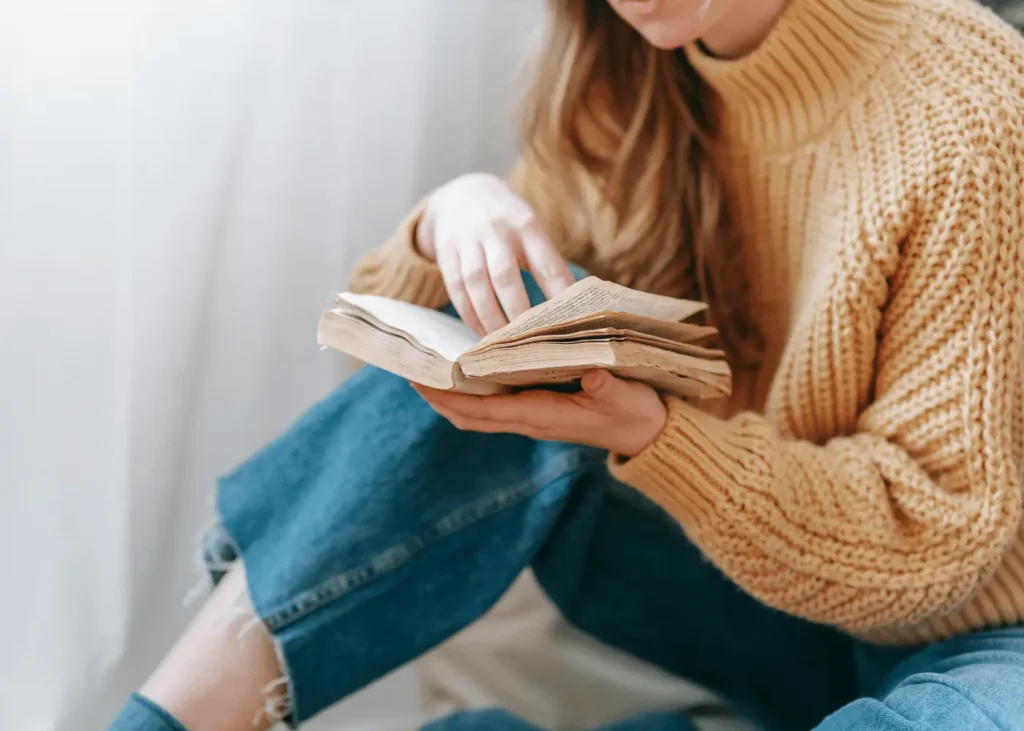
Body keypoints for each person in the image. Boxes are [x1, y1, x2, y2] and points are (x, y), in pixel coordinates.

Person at [109, 0, 1024, 729]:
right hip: (768, 614)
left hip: (985, 638)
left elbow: (935, 540)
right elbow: (391, 407)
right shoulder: (618, 74)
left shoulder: (964, 96)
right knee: (505, 330)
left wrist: (658, 437)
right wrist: (448, 221)